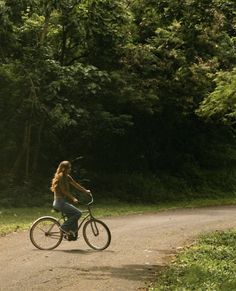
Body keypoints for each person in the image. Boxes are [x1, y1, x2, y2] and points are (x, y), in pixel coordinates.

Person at [50, 160, 91, 240]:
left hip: (62, 202)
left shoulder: (67, 176)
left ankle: (71, 235)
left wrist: (85, 191)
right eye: (69, 168)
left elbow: (76, 185)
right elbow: (63, 191)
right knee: (78, 213)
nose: (70, 169)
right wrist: (73, 198)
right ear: (64, 169)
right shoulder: (60, 176)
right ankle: (63, 227)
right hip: (59, 202)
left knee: (73, 215)